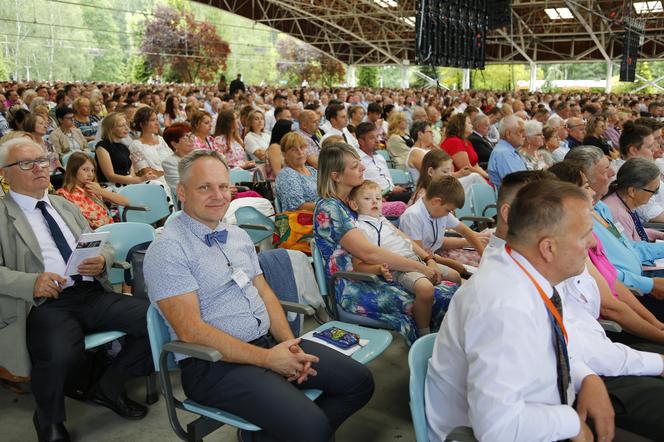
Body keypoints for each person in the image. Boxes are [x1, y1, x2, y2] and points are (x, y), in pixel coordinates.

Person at [143, 149, 374, 442]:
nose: (218, 195)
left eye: (223, 186)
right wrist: (268, 360)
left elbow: (263, 291)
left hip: (265, 344)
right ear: (182, 192)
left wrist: (288, 344)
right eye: (205, 187)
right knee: (312, 428)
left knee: (359, 382)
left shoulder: (236, 235)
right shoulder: (168, 249)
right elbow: (190, 331)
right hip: (214, 366)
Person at [426, 179, 615, 442]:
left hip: (540, 410)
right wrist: (571, 422)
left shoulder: (526, 274)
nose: (593, 244)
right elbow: (497, 429)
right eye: (585, 235)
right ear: (548, 248)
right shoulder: (504, 305)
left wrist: (586, 377)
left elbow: (547, 348)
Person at [0, 138, 152, 442]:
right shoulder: (3, 215)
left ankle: (109, 385)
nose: (39, 168)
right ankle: (49, 418)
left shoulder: (63, 204)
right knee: (59, 354)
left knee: (157, 318)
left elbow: (103, 242)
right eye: (27, 164)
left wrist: (102, 258)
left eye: (43, 160)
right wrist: (31, 282)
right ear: (5, 174)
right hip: (45, 302)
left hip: (90, 292)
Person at [314, 142, 456, 343]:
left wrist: (426, 258)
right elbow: (369, 253)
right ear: (336, 176)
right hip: (355, 282)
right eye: (355, 166)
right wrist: (420, 267)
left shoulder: (351, 200)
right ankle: (427, 347)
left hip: (381, 271)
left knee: (451, 288)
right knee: (433, 295)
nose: (363, 168)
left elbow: (393, 231)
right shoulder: (330, 208)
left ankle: (444, 348)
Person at [349, 180, 461, 336]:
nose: (374, 201)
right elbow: (358, 265)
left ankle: (449, 322)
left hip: (415, 259)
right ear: (354, 205)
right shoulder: (358, 228)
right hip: (399, 268)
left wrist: (429, 259)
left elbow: (407, 240)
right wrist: (378, 269)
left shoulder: (383, 220)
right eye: (367, 199)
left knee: (455, 276)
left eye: (378, 198)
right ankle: (423, 333)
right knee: (426, 289)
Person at [400, 175, 484, 273]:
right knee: (457, 275)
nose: (449, 214)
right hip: (418, 262)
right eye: (448, 210)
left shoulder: (440, 210)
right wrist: (449, 263)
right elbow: (419, 255)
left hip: (433, 257)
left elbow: (465, 231)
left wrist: (483, 254)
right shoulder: (413, 216)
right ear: (436, 201)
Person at [56, 152, 129, 229]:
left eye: (92, 170)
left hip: (110, 229)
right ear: (73, 170)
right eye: (85, 169)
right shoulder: (63, 194)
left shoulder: (94, 188)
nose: (90, 174)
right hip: (93, 234)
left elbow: (125, 202)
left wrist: (101, 191)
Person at [603, 157, 664, 242]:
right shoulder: (619, 215)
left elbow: (635, 232)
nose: (654, 195)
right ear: (632, 191)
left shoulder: (623, 203)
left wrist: (659, 235)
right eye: (653, 191)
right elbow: (630, 250)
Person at [96, 112, 158, 188]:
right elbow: (110, 176)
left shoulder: (124, 147)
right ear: (110, 129)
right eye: (121, 126)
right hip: (111, 186)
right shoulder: (102, 146)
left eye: (126, 125)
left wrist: (143, 178)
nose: (126, 128)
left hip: (127, 184)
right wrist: (140, 179)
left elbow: (131, 174)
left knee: (156, 184)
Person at [355, 122, 412, 204]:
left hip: (392, 193)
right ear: (361, 141)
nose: (377, 141)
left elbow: (389, 182)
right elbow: (361, 189)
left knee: (421, 192)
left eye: (377, 136)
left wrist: (393, 188)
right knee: (416, 196)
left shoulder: (380, 158)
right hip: (379, 198)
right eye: (372, 138)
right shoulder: (358, 162)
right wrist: (390, 191)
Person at [128, 107, 172, 187]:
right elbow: (147, 173)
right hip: (154, 183)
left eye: (157, 120)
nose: (157, 123)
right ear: (142, 124)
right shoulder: (136, 145)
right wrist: (169, 171)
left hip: (170, 178)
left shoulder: (161, 139)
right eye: (152, 120)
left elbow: (172, 160)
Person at [275, 132, 318, 212]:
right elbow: (297, 207)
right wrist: (328, 208)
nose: (300, 152)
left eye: (302, 147)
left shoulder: (313, 171)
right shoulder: (286, 175)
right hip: (302, 220)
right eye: (293, 149)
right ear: (284, 154)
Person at [440, 113, 489, 180]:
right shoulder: (454, 141)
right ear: (460, 125)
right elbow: (466, 168)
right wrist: (487, 177)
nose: (472, 126)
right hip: (457, 180)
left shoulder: (467, 142)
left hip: (472, 176)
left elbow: (476, 165)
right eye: (469, 123)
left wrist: (487, 176)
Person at [487, 115, 528, 187]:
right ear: (508, 134)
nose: (524, 135)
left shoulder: (507, 150)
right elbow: (517, 185)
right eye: (521, 132)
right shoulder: (504, 153)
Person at [162, 122, 196, 192]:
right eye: (186, 137)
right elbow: (180, 188)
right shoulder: (169, 163)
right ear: (174, 144)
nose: (192, 140)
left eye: (191, 135)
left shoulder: (201, 155)